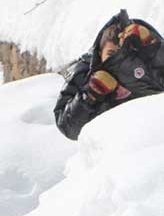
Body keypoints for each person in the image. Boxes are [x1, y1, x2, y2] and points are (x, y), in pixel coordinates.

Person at [54, 9, 164, 140]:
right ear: (100, 52)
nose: (117, 59)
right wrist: (90, 94)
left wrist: (153, 47)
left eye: (122, 54)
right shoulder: (84, 72)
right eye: (111, 54)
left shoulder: (145, 63)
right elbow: (69, 128)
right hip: (110, 147)